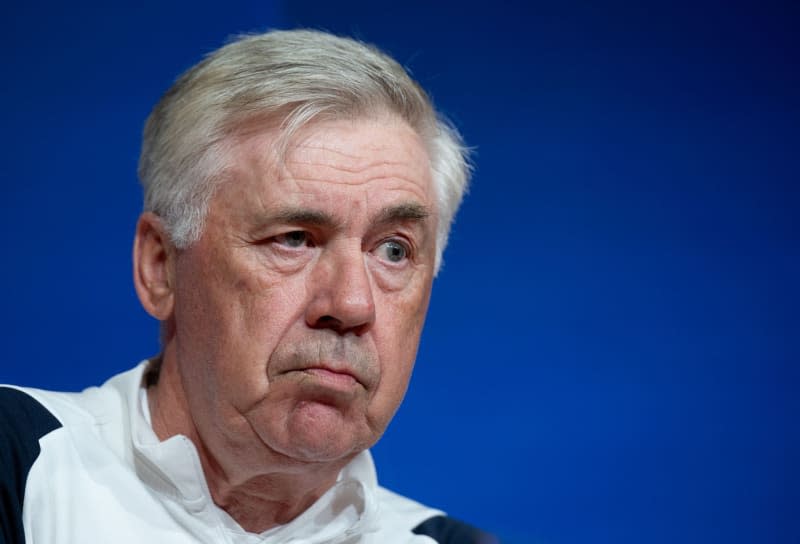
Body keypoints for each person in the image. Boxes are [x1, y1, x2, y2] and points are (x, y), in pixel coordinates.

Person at [0, 29, 495, 543]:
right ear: (161, 266)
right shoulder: (20, 466)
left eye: (393, 250)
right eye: (295, 239)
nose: (351, 303)